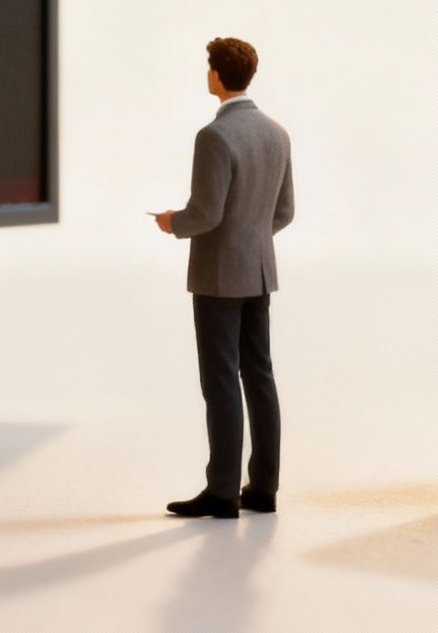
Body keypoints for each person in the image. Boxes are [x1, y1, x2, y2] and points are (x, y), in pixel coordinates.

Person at [152, 36, 294, 519]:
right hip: (259, 269)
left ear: (216, 75)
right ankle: (264, 486)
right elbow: (285, 211)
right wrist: (251, 237)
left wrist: (173, 222)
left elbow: (206, 214)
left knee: (220, 381)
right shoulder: (276, 133)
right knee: (259, 374)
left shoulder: (214, 137)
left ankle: (222, 490)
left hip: (217, 274)